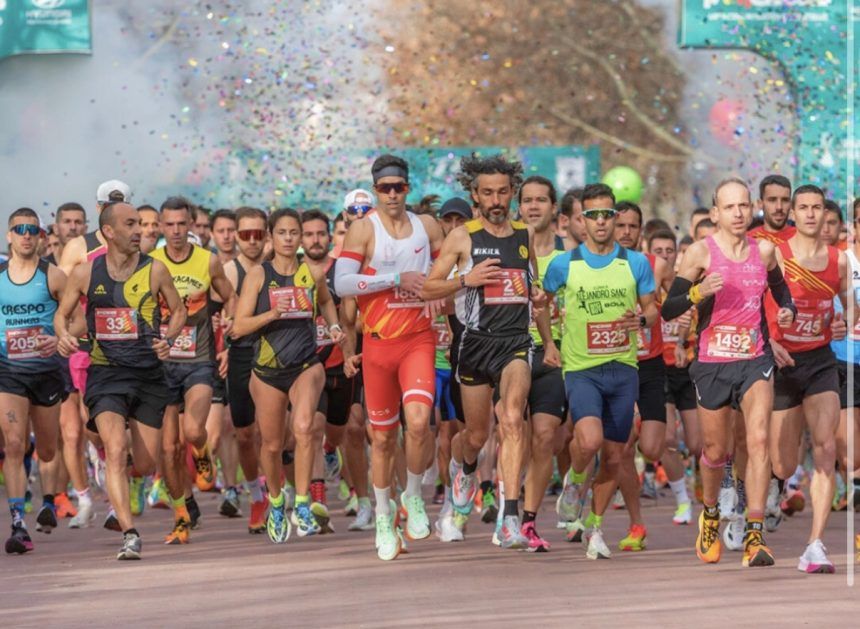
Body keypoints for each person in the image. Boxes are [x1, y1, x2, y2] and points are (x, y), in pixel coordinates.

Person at [662, 177, 796, 568]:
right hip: (712, 362)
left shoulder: (766, 251)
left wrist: (788, 310)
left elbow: (781, 291)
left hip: (755, 359)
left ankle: (755, 535)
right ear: (716, 213)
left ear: (750, 207)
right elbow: (670, 308)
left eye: (743, 206)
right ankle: (709, 514)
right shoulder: (701, 253)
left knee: (757, 440)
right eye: (730, 207)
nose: (738, 214)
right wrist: (697, 293)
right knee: (716, 451)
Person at [423, 154, 554, 550]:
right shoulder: (463, 237)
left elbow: (533, 291)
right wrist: (467, 279)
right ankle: (463, 471)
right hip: (475, 344)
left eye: (502, 192)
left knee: (513, 419)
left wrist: (539, 303)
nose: (496, 199)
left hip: (515, 343)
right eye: (487, 193)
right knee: (476, 435)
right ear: (474, 195)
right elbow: (429, 288)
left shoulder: (523, 235)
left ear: (511, 192)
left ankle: (509, 515)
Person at [55, 201, 186, 560]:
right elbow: (62, 316)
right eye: (131, 224)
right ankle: (129, 532)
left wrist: (168, 338)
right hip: (106, 373)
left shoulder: (155, 270)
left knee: (143, 465)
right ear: (108, 231)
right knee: (114, 449)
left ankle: (124, 478)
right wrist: (64, 336)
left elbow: (178, 311)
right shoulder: (85, 273)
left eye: (141, 224)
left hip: (148, 375)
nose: (139, 231)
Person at [335, 154, 444, 561]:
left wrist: (440, 292)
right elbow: (343, 283)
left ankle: (412, 496)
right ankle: (383, 515)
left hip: (417, 339)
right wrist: (396, 278)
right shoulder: (364, 229)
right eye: (385, 188)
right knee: (381, 439)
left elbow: (448, 268)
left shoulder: (427, 226)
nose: (393, 194)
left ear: (408, 188)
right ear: (376, 189)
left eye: (399, 187)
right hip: (378, 344)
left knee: (418, 424)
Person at [542, 183, 657, 560]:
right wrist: (549, 344)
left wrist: (639, 319)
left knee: (613, 455)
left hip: (623, 368)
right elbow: (540, 302)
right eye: (593, 215)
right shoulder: (565, 263)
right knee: (588, 441)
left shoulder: (635, 262)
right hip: (581, 369)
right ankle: (574, 483)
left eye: (608, 214)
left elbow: (653, 310)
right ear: (582, 221)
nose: (602, 222)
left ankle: (594, 527)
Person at [233, 208, 343, 543]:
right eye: (281, 233)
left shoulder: (311, 272)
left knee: (305, 428)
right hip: (267, 370)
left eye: (294, 233)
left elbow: (325, 302)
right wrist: (271, 313)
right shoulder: (257, 275)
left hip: (305, 365)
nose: (288, 239)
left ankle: (304, 502)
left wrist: (334, 326)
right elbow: (238, 327)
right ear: (271, 236)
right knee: (271, 443)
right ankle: (277, 501)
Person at [766, 184, 852, 573]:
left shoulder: (840, 260)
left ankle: (814, 545)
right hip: (783, 363)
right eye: (804, 208)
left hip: (820, 361)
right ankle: (773, 484)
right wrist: (769, 339)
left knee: (826, 450)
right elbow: (754, 304)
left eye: (818, 208)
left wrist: (842, 322)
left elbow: (850, 309)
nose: (812, 215)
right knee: (783, 464)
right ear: (794, 214)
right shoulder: (777, 256)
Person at [150, 196, 236, 544]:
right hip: (161, 364)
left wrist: (226, 323)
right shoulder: (150, 262)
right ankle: (182, 514)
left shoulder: (208, 261)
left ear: (191, 225)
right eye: (168, 225)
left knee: (193, 430)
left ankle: (201, 454)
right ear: (159, 227)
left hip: (198, 360)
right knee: (168, 450)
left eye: (181, 224)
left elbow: (229, 296)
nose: (175, 231)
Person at [58, 178, 131, 531]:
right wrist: (65, 331)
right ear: (99, 207)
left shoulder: (135, 242)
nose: (113, 208)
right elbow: (62, 293)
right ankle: (101, 459)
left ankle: (118, 498)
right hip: (86, 344)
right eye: (107, 203)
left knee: (118, 424)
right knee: (92, 422)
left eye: (120, 202)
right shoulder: (78, 247)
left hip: (127, 344)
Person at [0, 209, 67, 553]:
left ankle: (49, 502)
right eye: (19, 229)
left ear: (41, 235)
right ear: (9, 235)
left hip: (46, 371)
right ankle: (16, 521)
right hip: (8, 371)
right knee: (13, 444)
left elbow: (78, 321)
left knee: (48, 448)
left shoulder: (53, 276)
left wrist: (58, 339)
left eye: (32, 229)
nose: (26, 235)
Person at [612, 201, 671, 552]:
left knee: (650, 448)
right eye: (621, 226)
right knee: (620, 452)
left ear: (642, 231)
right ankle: (637, 524)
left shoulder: (656, 265)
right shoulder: (599, 265)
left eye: (633, 226)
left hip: (650, 363)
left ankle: (633, 425)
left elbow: (677, 300)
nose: (627, 232)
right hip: (617, 363)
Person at [516, 175, 567, 551]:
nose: (534, 206)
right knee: (508, 435)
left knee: (546, 436)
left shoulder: (572, 255)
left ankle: (528, 522)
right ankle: (499, 503)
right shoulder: (505, 250)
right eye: (528, 200)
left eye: (541, 201)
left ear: (554, 208)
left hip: (555, 354)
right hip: (510, 351)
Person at [300, 209, 357, 532]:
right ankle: (316, 502)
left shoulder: (342, 272)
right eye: (309, 234)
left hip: (341, 363)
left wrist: (348, 350)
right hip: (308, 365)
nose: (316, 239)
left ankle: (331, 452)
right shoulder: (292, 272)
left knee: (336, 433)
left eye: (321, 233)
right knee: (312, 427)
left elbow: (350, 320)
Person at [648, 228, 699, 525]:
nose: (664, 256)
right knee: (667, 438)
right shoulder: (644, 283)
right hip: (658, 368)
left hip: (687, 369)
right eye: (658, 250)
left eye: (669, 250)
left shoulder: (685, 284)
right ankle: (682, 500)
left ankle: (711, 484)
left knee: (697, 445)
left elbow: (686, 318)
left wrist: (681, 343)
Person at [224, 206, 270, 534]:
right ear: (236, 237)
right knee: (244, 435)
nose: (252, 241)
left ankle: (284, 496)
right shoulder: (228, 271)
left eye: (258, 234)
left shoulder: (277, 268)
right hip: (240, 354)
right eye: (245, 235)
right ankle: (256, 494)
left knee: (276, 434)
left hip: (274, 353)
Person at [748, 174, 795, 244]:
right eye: (772, 200)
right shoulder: (748, 240)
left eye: (785, 200)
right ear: (760, 203)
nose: (779, 207)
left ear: (791, 204)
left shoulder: (803, 237)